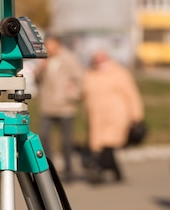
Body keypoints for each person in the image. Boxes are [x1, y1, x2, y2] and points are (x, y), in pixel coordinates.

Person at [81, 49, 144, 184]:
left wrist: (136, 114)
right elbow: (83, 92)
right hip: (97, 115)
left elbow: (131, 94)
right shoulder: (90, 74)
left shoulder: (119, 73)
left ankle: (101, 170)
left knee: (108, 143)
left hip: (116, 113)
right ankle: (115, 172)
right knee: (102, 144)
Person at [35, 34, 84, 182]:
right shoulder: (44, 60)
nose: (49, 48)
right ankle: (49, 169)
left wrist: (72, 94)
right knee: (43, 136)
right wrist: (41, 69)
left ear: (58, 45)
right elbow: (37, 80)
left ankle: (69, 172)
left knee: (66, 141)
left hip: (65, 106)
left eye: (52, 45)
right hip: (47, 105)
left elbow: (80, 79)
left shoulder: (69, 59)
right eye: (47, 45)